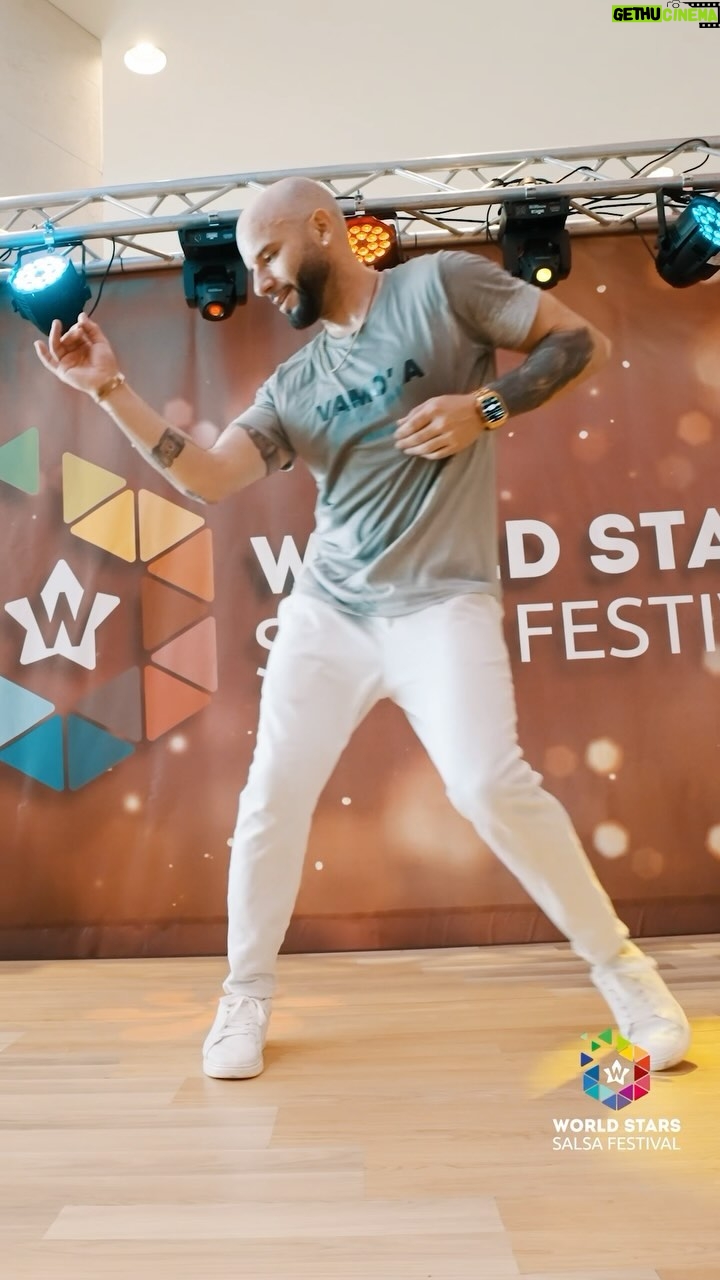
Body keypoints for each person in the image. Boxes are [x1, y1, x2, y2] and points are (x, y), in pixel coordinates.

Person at [35, 177, 691, 1081]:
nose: (260, 280)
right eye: (251, 266)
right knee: (271, 797)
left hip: (444, 602)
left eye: (268, 255)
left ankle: (626, 977)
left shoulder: (441, 287)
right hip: (331, 612)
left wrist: (485, 408)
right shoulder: (295, 382)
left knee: (489, 785)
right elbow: (211, 477)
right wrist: (109, 388)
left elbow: (581, 342)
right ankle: (245, 994)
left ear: (322, 228)